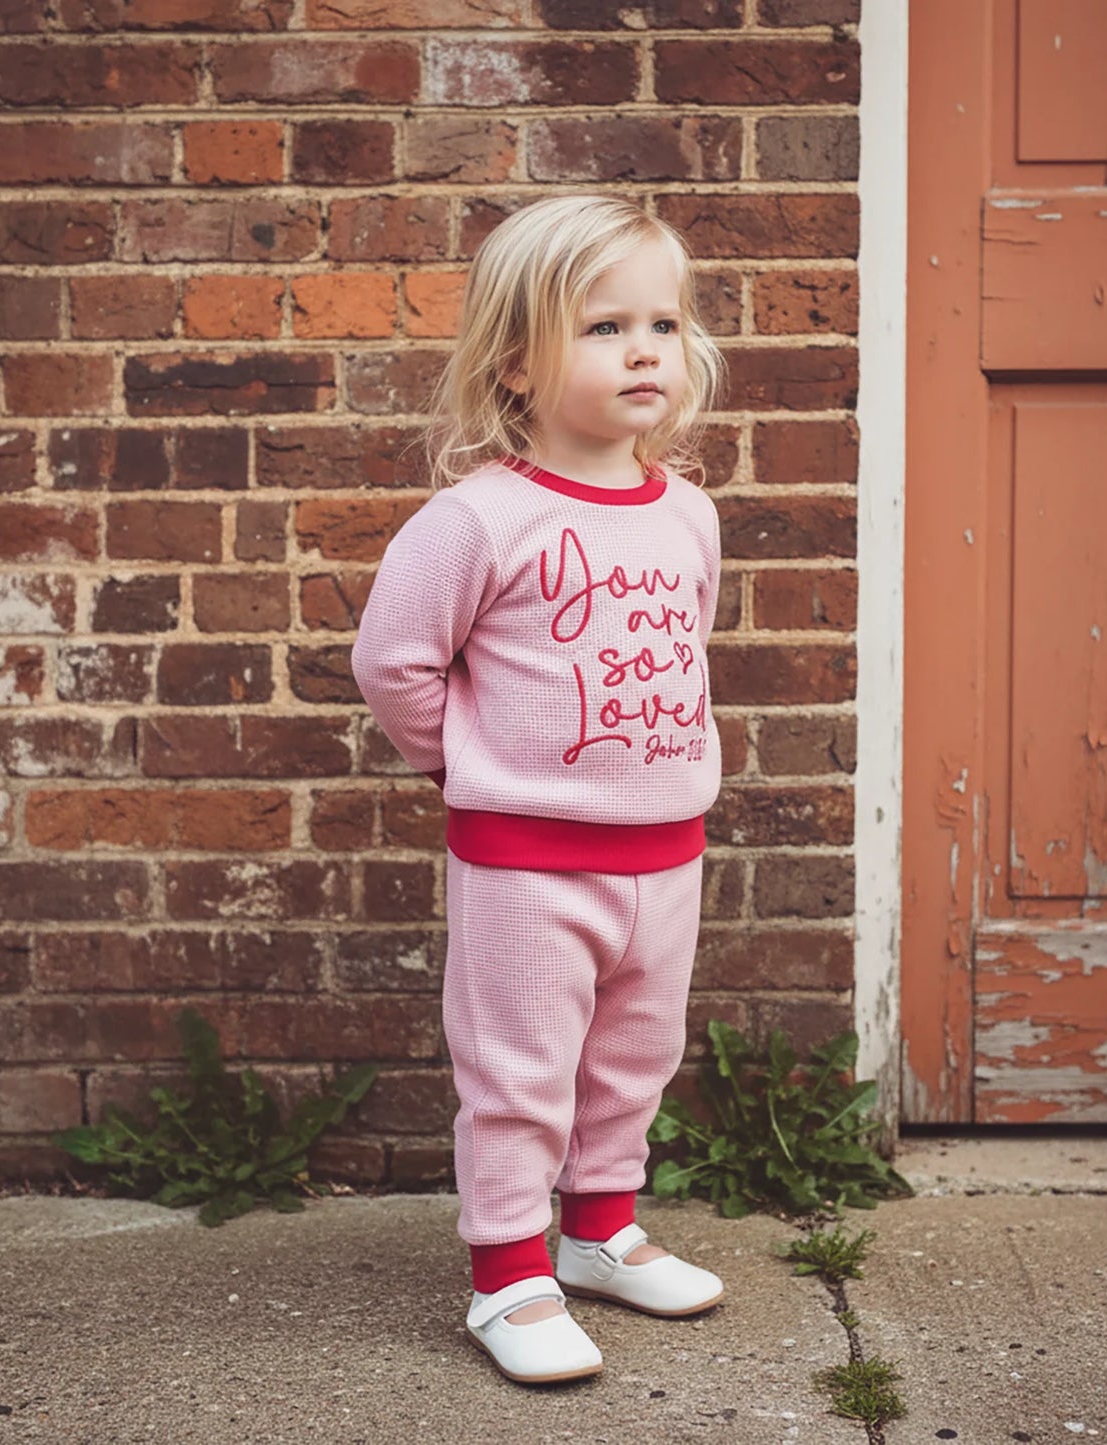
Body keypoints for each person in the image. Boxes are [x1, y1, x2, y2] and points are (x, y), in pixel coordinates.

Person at [350, 192, 729, 1386]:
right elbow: (393, 661)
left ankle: (599, 1232)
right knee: (518, 1073)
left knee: (633, 1056)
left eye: (661, 324)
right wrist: (464, 767)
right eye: (603, 327)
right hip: (524, 860)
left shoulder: (688, 514)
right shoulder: (477, 519)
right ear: (515, 361)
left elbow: (685, 651)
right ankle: (508, 1275)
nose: (643, 351)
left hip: (666, 853)